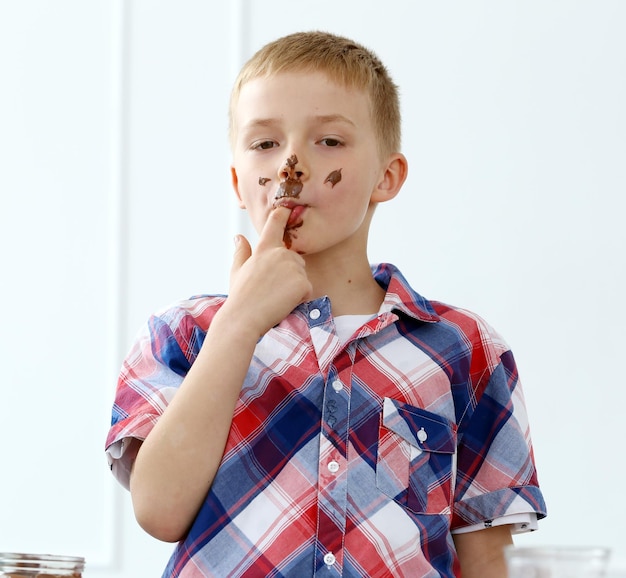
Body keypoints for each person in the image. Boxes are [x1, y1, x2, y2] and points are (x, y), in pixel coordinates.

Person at [105, 30, 547, 577]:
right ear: (240, 183)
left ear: (386, 177)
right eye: (266, 144)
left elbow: (487, 557)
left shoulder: (465, 350)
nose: (292, 165)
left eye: (329, 142)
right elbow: (159, 510)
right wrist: (239, 324)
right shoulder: (184, 335)